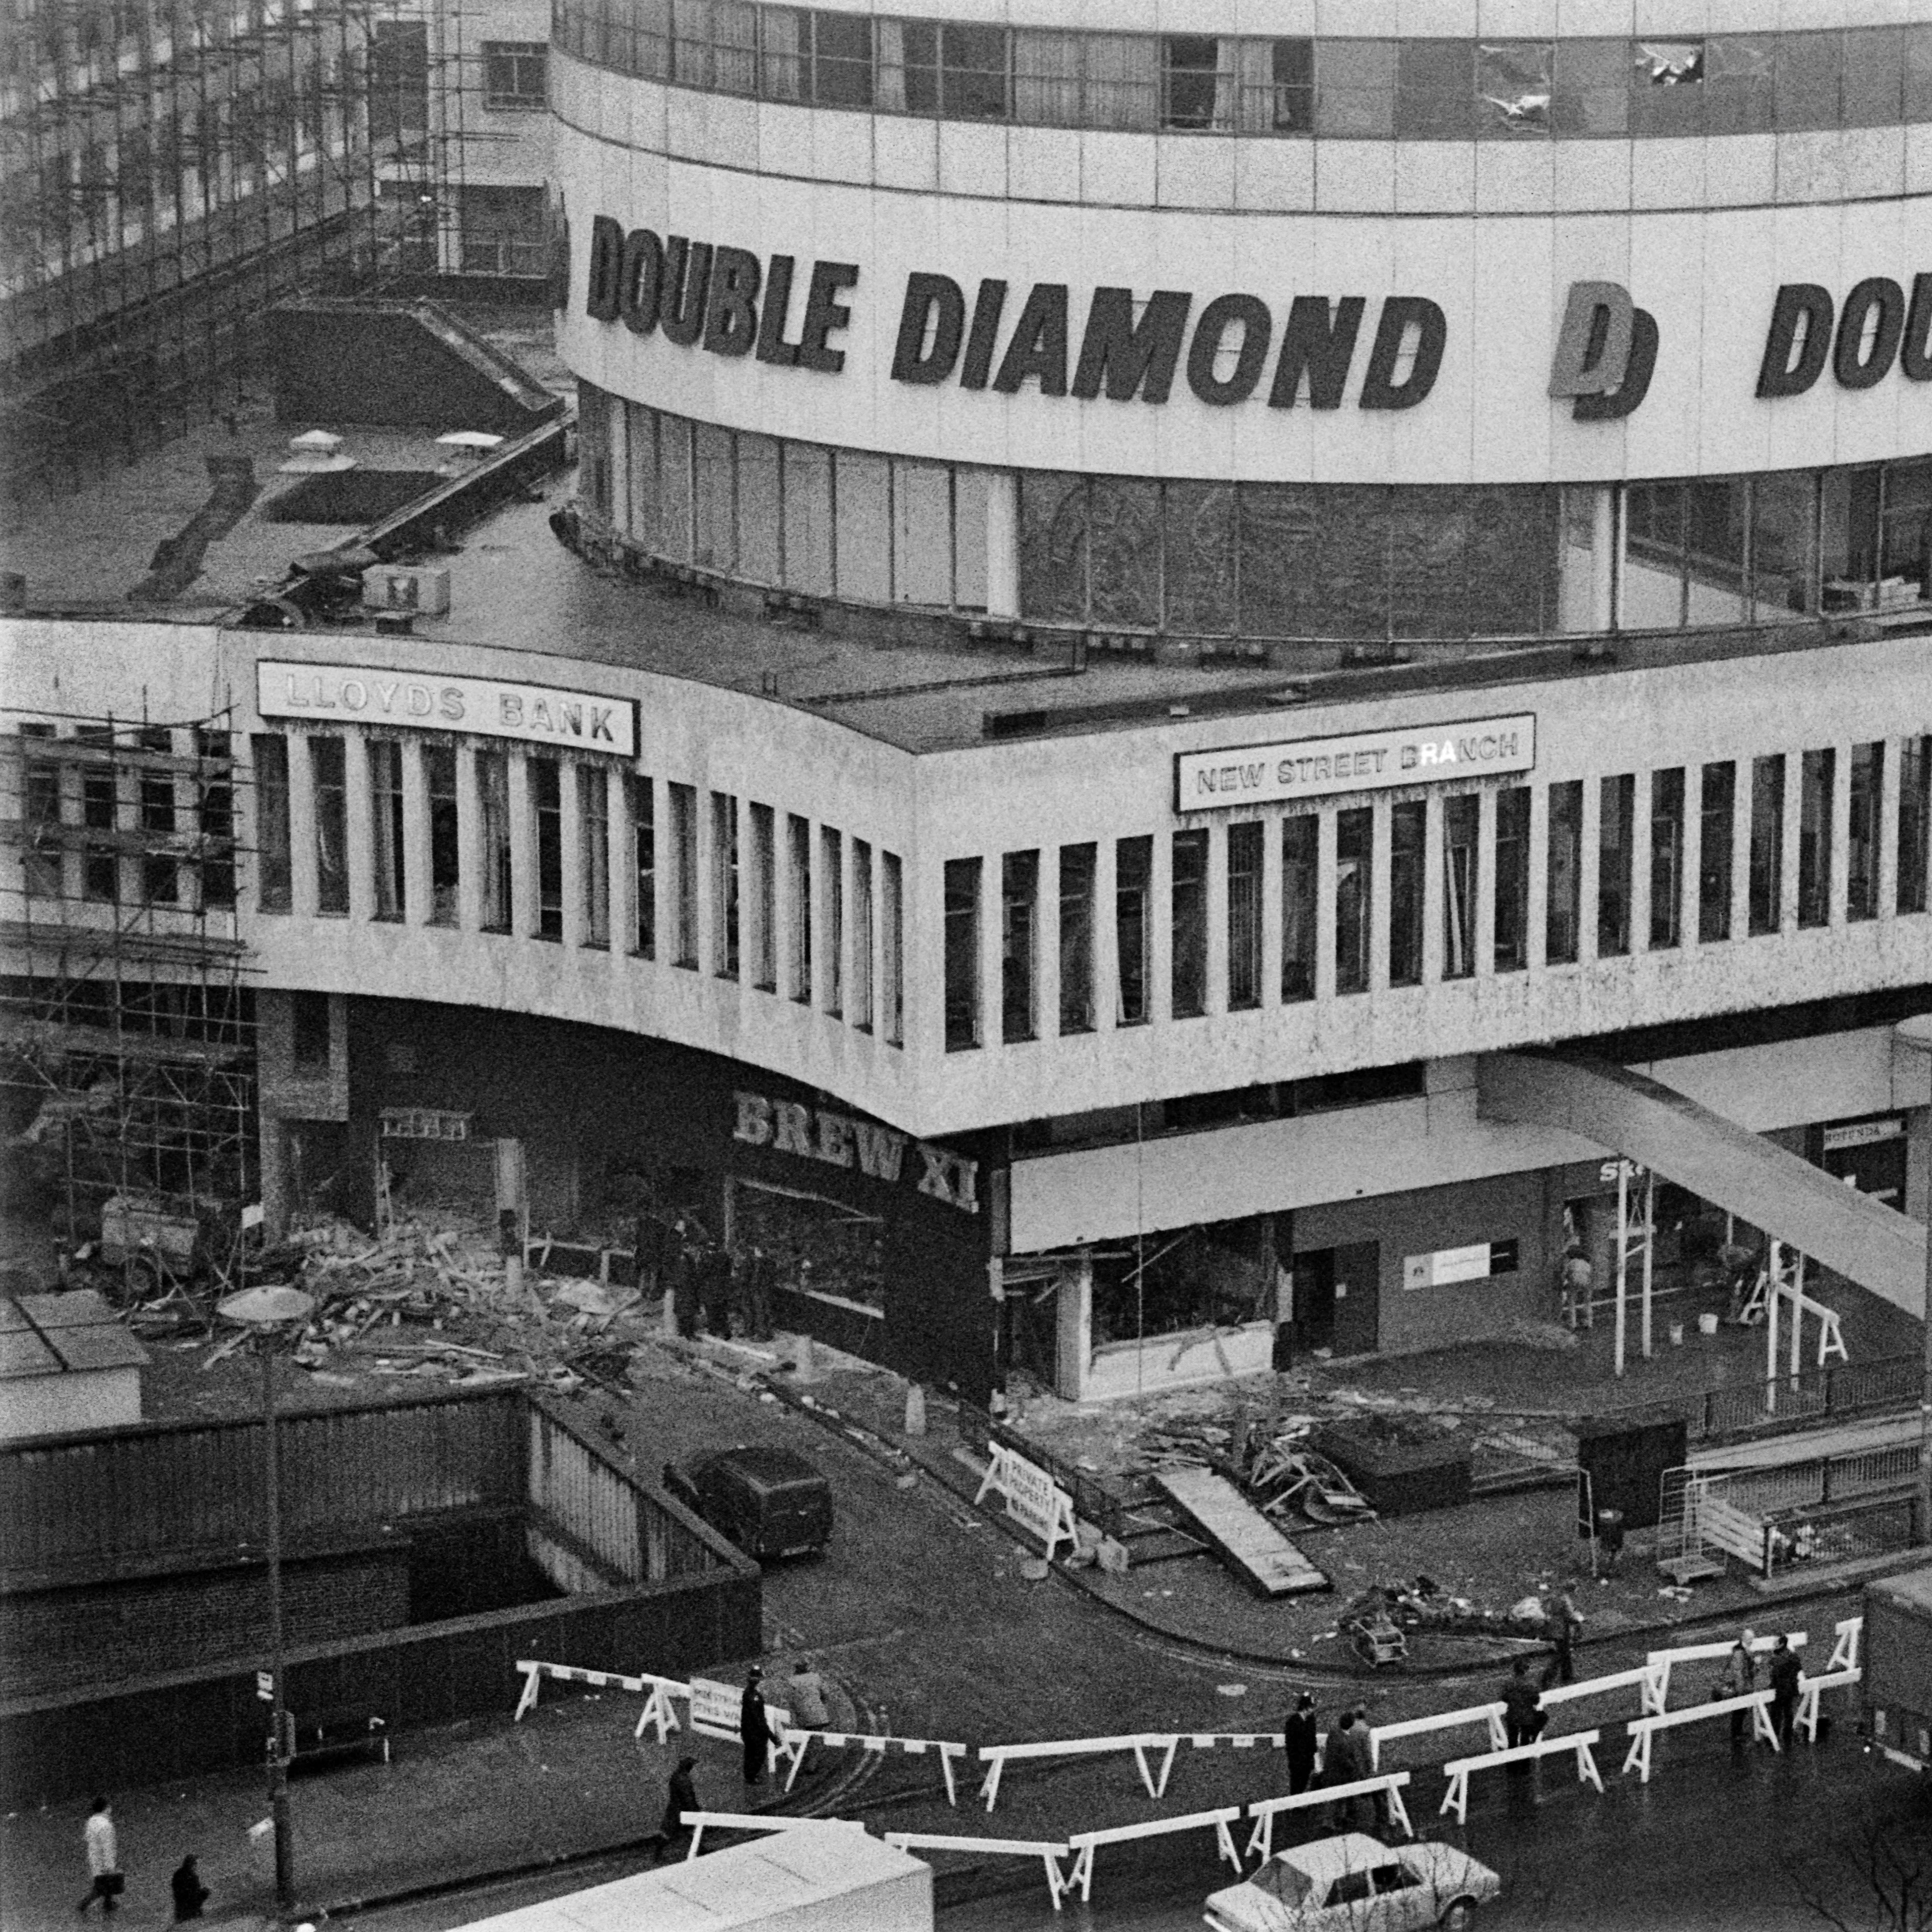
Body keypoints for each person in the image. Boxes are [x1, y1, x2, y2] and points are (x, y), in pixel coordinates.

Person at [77, 1797, 119, 1916]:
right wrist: (110, 1865)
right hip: (103, 1860)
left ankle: (109, 1905)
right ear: (106, 1809)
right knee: (101, 1887)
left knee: (105, 1884)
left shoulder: (91, 1822)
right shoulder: (106, 1825)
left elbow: (88, 1839)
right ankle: (83, 1905)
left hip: (94, 1858)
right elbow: (108, 1847)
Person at [654, 1755, 701, 1863]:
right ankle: (657, 1854)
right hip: (681, 1811)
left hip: (675, 1809)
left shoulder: (677, 1776)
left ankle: (658, 1854)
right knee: (690, 1830)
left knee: (670, 1832)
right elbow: (687, 1797)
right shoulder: (683, 1779)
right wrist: (695, 1809)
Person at [787, 1658, 830, 1774]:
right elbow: (826, 1694)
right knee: (817, 1738)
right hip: (817, 1712)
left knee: (808, 1737)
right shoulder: (816, 1677)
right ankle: (811, 1765)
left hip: (802, 1714)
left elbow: (791, 1700)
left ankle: (805, 1759)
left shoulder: (792, 1681)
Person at [1501, 1657, 1545, 1763]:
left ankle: (1512, 1766)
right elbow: (1536, 1701)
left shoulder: (1509, 1683)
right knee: (1525, 1741)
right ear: (1526, 1670)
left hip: (1512, 1715)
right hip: (1527, 1717)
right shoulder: (1531, 1685)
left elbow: (1504, 1698)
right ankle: (1525, 1766)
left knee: (1512, 1740)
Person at [1719, 1631, 1757, 1744]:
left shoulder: (1742, 1650)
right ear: (1744, 1638)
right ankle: (1736, 1734)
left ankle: (1738, 1732)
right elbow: (1739, 1673)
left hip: (1744, 1685)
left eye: (1753, 1638)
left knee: (1741, 1711)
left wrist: (1755, 1664)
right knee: (1739, 1710)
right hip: (1741, 1686)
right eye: (1750, 1639)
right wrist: (1741, 1690)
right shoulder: (1741, 1652)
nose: (1752, 1641)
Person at [1543, 1581, 1582, 1688]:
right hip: (1562, 1628)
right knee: (1562, 1654)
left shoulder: (1555, 1596)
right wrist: (1578, 1621)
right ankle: (1548, 1676)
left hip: (1554, 1627)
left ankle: (1567, 1675)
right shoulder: (1565, 1599)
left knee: (1565, 1653)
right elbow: (1569, 1615)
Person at [1768, 1634, 1803, 1749]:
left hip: (1780, 1689)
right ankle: (1787, 1734)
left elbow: (1774, 1673)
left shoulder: (1776, 1659)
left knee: (1776, 1713)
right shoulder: (1793, 1656)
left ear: (1781, 1644)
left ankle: (1775, 1734)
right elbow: (1798, 1667)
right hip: (1791, 1688)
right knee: (1788, 1711)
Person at [740, 1665, 774, 1787]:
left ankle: (750, 1775)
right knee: (758, 1755)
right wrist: (770, 1735)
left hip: (748, 1730)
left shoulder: (748, 1692)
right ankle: (752, 1777)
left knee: (749, 1754)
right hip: (755, 1732)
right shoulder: (753, 1696)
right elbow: (758, 1718)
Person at [1282, 1692, 1320, 1797]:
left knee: (1304, 1783)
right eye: (1311, 1708)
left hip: (1308, 1761)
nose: (1312, 1710)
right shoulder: (1292, 1722)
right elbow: (1290, 1745)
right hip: (1297, 1762)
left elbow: (1313, 1740)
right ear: (1305, 1708)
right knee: (1296, 1785)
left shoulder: (1311, 1720)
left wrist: (1315, 1759)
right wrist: (1294, 1761)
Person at [1561, 1247, 1594, 1331]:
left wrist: (1564, 1283)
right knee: (1587, 1302)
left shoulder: (1571, 1263)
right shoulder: (1586, 1263)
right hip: (1586, 1282)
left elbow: (1564, 1275)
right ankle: (1589, 1323)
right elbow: (1590, 1274)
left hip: (1574, 1281)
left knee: (1571, 1302)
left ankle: (1573, 1324)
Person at [169, 1855, 209, 1923]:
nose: (196, 1867)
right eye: (195, 1864)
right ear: (192, 1865)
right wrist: (204, 1894)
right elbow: (193, 1897)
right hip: (192, 1911)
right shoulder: (192, 1877)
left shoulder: (178, 1874)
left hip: (180, 1910)